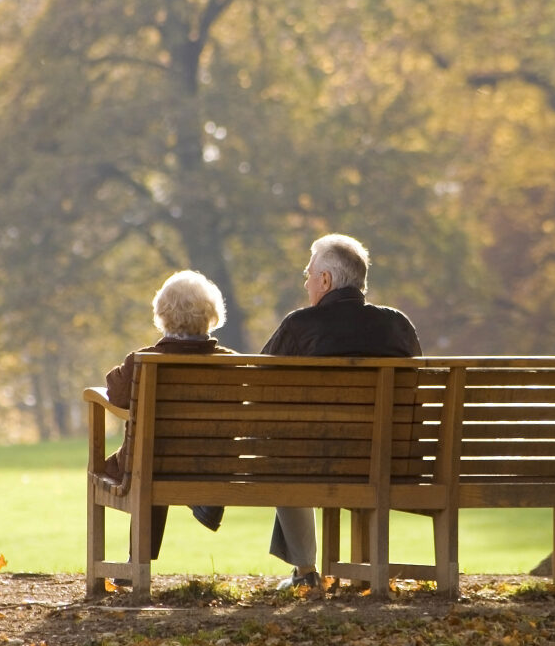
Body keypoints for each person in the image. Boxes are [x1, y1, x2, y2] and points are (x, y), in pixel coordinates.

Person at [261, 233, 422, 589]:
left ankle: (305, 573)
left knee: (280, 447)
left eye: (308, 274)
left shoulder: (299, 325)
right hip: (395, 460)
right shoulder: (398, 324)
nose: (305, 283)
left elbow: (256, 386)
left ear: (326, 280)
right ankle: (322, 569)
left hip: (315, 462)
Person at [100, 270, 234, 583]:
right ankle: (201, 499)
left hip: (150, 464)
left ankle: (137, 562)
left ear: (162, 315)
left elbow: (117, 397)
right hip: (208, 466)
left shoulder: (144, 361)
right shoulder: (230, 362)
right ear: (212, 314)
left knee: (149, 458)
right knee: (159, 454)